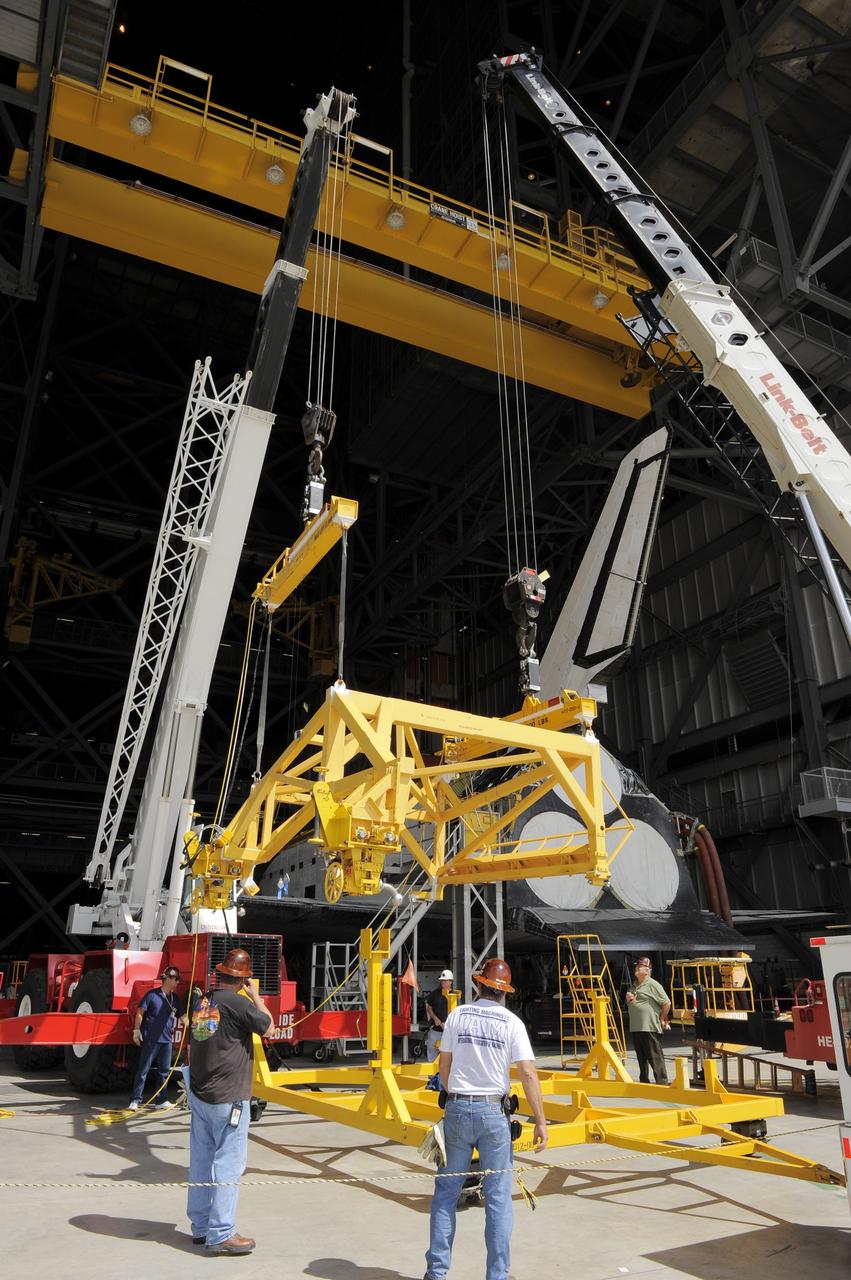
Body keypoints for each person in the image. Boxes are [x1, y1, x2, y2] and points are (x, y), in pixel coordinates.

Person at [425, 956, 547, 1280]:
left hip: (457, 1109)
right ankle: (497, 1275)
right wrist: (541, 1121)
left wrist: (455, 1100)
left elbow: (444, 1067)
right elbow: (528, 1074)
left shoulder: (458, 1015)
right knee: (497, 1200)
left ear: (478, 985)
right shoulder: (512, 1023)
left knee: (446, 1196)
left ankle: (436, 1274)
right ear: (505, 992)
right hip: (494, 1113)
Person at [187, 946, 273, 1256]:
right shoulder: (238, 1003)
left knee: (201, 1159)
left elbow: (201, 1038)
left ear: (220, 974)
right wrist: (256, 998)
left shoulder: (203, 1001)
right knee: (228, 1163)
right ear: (243, 979)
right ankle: (222, 1232)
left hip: (200, 1092)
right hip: (228, 1096)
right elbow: (269, 1025)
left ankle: (200, 1227)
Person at [128, 964, 182, 1112]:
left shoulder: (174, 999)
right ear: (168, 979)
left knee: (164, 1071)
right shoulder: (151, 995)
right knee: (143, 1070)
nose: (178, 982)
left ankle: (161, 1100)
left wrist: (196, 1023)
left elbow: (183, 1017)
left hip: (167, 1041)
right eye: (176, 979)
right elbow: (140, 1012)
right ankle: (135, 1100)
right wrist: (136, 1030)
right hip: (151, 1040)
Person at [626, 955, 671, 1084]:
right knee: (641, 1058)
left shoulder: (653, 985)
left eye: (640, 966)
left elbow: (667, 1003)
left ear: (647, 970)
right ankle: (644, 1082)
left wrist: (661, 1019)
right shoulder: (634, 985)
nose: (637, 968)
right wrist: (629, 999)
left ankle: (662, 1083)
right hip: (636, 1027)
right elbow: (633, 1003)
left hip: (649, 1027)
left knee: (655, 1057)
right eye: (637, 966)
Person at [424, 968, 454, 1060]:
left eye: (445, 981)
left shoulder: (455, 995)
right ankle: (432, 1074)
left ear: (450, 982)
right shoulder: (435, 994)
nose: (442, 982)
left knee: (449, 1054)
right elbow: (429, 1008)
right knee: (432, 1050)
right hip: (436, 1030)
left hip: (449, 1031)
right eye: (442, 981)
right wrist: (435, 1019)